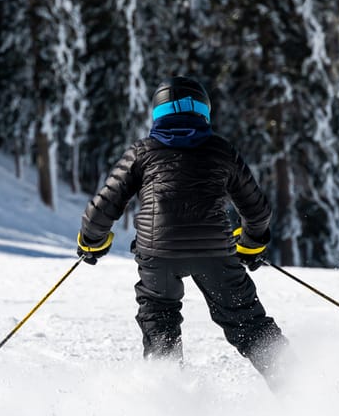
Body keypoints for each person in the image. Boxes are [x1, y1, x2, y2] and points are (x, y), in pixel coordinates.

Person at [76, 76, 287, 386]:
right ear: (204, 111)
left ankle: (167, 396)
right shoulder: (220, 151)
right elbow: (257, 211)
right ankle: (299, 387)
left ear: (157, 113)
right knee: (247, 322)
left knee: (159, 318)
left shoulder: (142, 152)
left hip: (158, 254)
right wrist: (251, 244)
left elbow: (102, 209)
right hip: (214, 253)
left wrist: (91, 242)